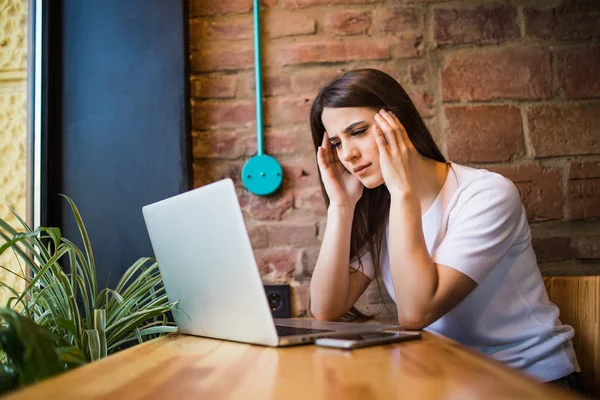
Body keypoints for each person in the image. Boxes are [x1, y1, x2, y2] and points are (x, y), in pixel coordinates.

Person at [308, 68, 582, 391]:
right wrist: (341, 206)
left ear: (398, 123)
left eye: (358, 131)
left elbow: (415, 312)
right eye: (338, 143)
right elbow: (326, 310)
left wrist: (403, 192)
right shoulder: (382, 206)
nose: (348, 155)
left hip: (532, 382)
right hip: (446, 380)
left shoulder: (486, 195)